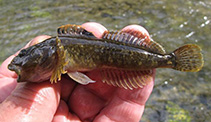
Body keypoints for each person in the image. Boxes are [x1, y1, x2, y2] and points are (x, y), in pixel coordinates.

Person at [0, 22, 154, 122]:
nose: (19, 62)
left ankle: (169, 60)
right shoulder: (55, 52)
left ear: (54, 54)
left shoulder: (57, 50)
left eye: (23, 56)